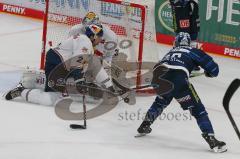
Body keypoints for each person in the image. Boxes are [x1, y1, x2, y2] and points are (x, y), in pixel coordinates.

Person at [136, 32, 227, 153]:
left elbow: (172, 64)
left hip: (159, 77)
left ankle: (145, 125)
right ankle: (211, 139)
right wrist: (209, 72)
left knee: (160, 101)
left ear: (176, 43)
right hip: (178, 80)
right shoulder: (193, 51)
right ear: (189, 43)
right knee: (198, 110)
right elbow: (214, 70)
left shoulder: (170, 53)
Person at [4, 24, 116, 106]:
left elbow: (94, 67)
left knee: (54, 94)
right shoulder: (85, 41)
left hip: (60, 64)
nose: (101, 40)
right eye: (100, 37)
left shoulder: (87, 44)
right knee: (50, 100)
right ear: (94, 36)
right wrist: (79, 80)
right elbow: (77, 62)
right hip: (56, 62)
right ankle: (21, 91)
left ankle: (40, 84)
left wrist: (109, 87)